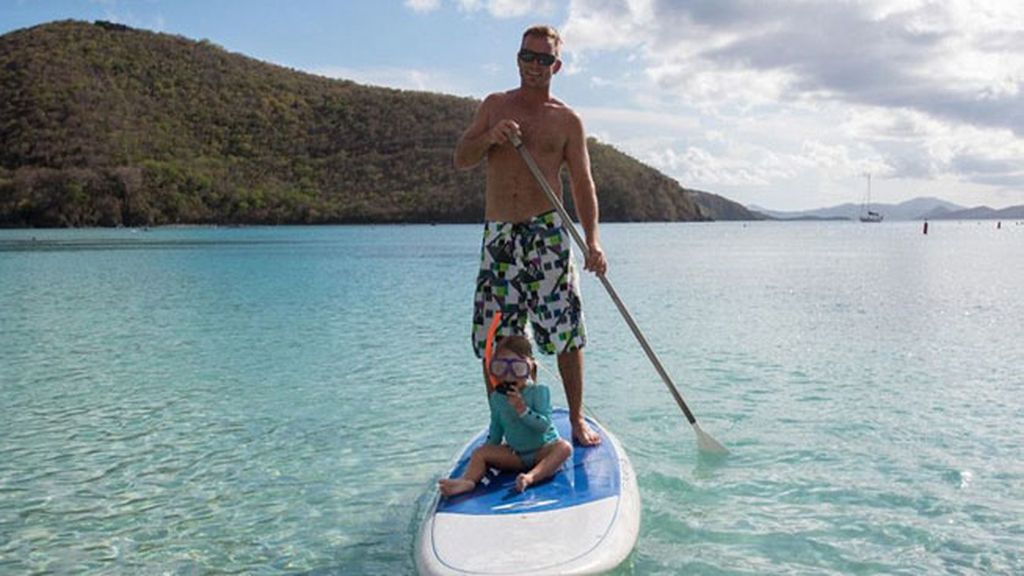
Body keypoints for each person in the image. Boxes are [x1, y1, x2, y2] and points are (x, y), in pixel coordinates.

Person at [454, 24, 607, 446]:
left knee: (565, 330)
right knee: (498, 335)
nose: (534, 65)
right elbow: (462, 158)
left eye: (543, 59)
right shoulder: (494, 105)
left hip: (547, 232)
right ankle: (501, 425)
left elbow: (583, 184)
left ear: (556, 65)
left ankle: (575, 419)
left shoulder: (567, 120)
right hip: (501, 234)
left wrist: (592, 240)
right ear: (517, 58)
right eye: (528, 56)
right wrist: (490, 136)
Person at [439, 335, 573, 496]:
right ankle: (467, 481)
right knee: (480, 453)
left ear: (529, 368)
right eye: (501, 368)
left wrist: (522, 409)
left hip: (542, 451)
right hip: (516, 456)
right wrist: (487, 452)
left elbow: (543, 426)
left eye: (517, 368)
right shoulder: (497, 398)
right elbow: (496, 430)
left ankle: (530, 477)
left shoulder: (539, 392)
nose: (509, 376)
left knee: (564, 448)